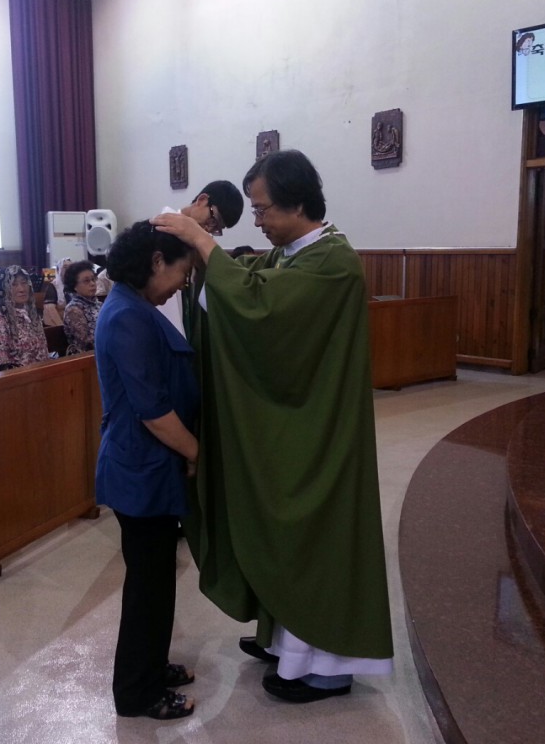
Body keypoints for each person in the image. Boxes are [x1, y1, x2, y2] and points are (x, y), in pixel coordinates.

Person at [151, 149, 394, 703]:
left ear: (298, 204)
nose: (257, 221)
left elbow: (262, 312)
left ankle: (327, 666)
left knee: (311, 535)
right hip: (300, 422)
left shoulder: (333, 262)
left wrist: (202, 240)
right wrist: (201, 251)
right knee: (284, 536)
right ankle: (287, 640)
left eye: (262, 211)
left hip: (317, 432)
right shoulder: (293, 255)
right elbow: (246, 288)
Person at [94, 221, 199, 720]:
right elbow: (153, 412)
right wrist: (198, 453)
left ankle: (152, 666)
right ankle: (137, 692)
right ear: (157, 261)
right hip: (139, 468)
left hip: (151, 466)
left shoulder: (134, 305)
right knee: (147, 584)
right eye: (181, 272)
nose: (182, 283)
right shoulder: (127, 317)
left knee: (157, 577)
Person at [156, 180, 244, 336]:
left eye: (217, 228)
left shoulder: (199, 245)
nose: (209, 229)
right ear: (202, 200)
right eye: (213, 219)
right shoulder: (161, 233)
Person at [0, 265, 49, 367]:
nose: (22, 289)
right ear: (3, 289)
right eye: (14, 284)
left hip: (40, 372)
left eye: (24, 283)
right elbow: (0, 365)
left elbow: (43, 352)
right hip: (15, 375)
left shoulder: (32, 315)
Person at [62, 260, 100, 354]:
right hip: (86, 357)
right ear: (74, 286)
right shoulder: (73, 309)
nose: (92, 283)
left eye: (93, 279)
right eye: (86, 281)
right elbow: (86, 343)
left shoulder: (99, 304)